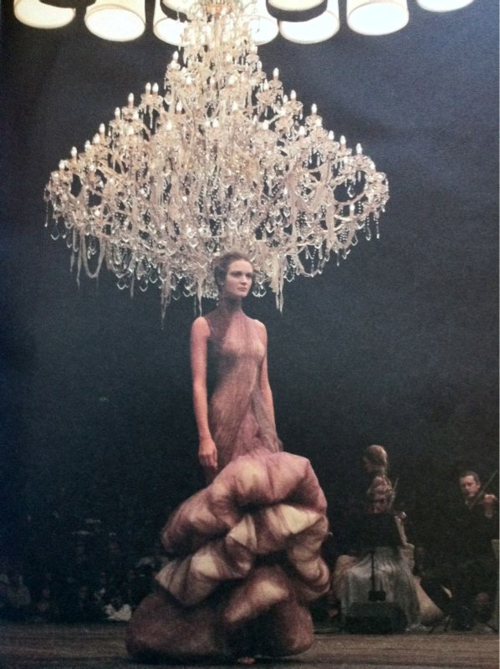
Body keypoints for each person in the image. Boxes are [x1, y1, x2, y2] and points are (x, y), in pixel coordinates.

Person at [127, 252, 330, 663]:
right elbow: (199, 383)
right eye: (237, 274)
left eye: (249, 275)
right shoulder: (204, 325)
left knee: (261, 515)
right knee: (226, 518)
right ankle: (226, 628)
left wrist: (272, 434)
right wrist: (205, 436)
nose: (245, 281)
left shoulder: (259, 327)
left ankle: (252, 626)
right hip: (224, 420)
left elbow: (265, 384)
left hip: (258, 425)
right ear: (220, 279)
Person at [337, 480, 420, 630]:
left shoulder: (394, 519)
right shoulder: (366, 520)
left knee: (380, 575)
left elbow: (402, 544)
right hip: (369, 559)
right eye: (375, 501)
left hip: (391, 559)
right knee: (351, 575)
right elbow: (360, 544)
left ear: (388, 502)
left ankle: (387, 620)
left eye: (382, 502)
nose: (377, 505)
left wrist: (399, 526)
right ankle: (356, 620)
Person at [420, 470, 498, 629]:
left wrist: (488, 511)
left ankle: (462, 617)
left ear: (478, 485)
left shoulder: (487, 506)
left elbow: (489, 534)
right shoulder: (457, 508)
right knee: (427, 580)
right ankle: (458, 613)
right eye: (463, 485)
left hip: (482, 562)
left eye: (470, 484)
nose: (467, 488)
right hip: (459, 561)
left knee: (464, 574)